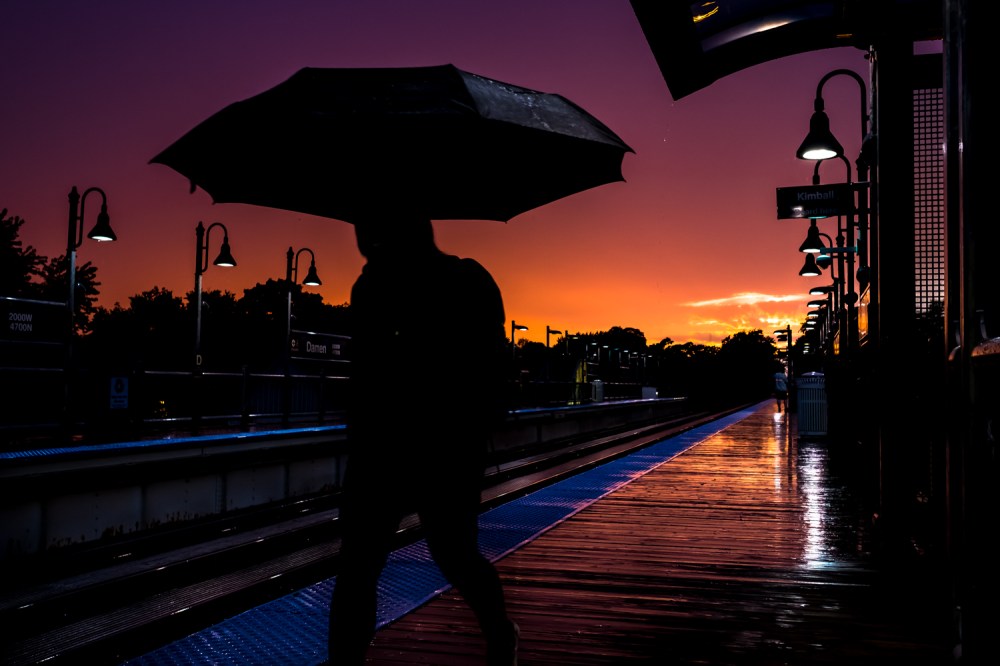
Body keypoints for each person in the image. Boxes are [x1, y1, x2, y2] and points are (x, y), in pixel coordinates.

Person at [327, 217, 519, 666]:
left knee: (367, 565)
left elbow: (368, 372)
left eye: (368, 231)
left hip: (410, 443)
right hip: (439, 444)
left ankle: (498, 632)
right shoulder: (469, 279)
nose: (362, 242)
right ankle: (499, 634)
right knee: (451, 554)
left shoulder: (387, 286)